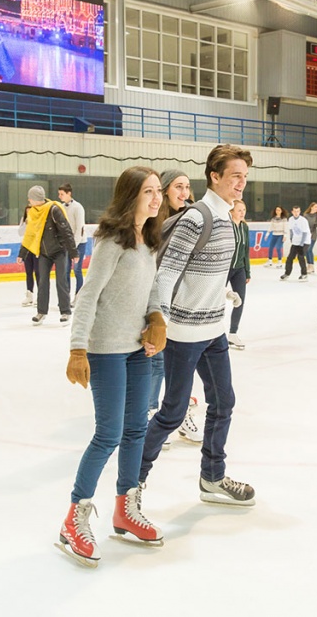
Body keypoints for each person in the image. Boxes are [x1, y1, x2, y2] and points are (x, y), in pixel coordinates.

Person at [57, 166, 166, 567]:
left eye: (158, 191)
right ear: (130, 196)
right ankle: (74, 518)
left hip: (138, 348)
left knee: (137, 428)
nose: (156, 199)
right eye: (148, 192)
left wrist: (156, 318)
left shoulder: (149, 238)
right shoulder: (112, 240)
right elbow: (87, 296)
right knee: (109, 434)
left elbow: (151, 288)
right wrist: (77, 349)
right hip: (105, 349)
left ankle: (125, 508)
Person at [140, 144, 256, 507]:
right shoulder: (197, 217)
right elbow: (166, 275)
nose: (241, 183)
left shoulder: (227, 219)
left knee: (224, 402)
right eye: (235, 176)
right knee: (173, 412)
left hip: (213, 331)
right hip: (184, 335)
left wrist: (222, 291)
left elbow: (201, 271)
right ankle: (132, 482)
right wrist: (159, 323)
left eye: (245, 177)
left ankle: (213, 478)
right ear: (215, 176)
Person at [147, 169, 200, 447]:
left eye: (188, 187)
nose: (184, 193)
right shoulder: (152, 219)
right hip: (154, 295)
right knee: (157, 359)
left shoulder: (192, 218)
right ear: (165, 189)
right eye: (178, 187)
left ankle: (178, 414)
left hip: (185, 298)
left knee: (183, 362)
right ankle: (153, 413)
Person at [21, 185, 77, 325]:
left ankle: (65, 312)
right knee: (42, 282)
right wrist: (22, 253)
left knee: (61, 281)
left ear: (36, 199)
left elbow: (66, 230)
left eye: (31, 198)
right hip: (44, 253)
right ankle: (41, 312)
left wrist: (73, 251)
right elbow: (30, 234)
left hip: (59, 251)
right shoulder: (33, 212)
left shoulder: (54, 209)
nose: (29, 200)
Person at [226, 199, 250, 350]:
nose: (242, 213)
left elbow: (247, 250)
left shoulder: (244, 227)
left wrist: (247, 271)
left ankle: (233, 333)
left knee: (240, 301)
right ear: (231, 211)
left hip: (239, 269)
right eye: (239, 210)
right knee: (215, 301)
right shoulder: (226, 226)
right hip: (224, 269)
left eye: (244, 210)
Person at [59, 183, 87, 302]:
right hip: (66, 244)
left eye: (62, 194)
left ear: (69, 193)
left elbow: (79, 229)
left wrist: (73, 248)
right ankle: (66, 297)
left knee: (77, 269)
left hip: (79, 243)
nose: (59, 196)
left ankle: (78, 296)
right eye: (59, 194)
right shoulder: (60, 207)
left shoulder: (78, 207)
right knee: (65, 270)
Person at [280, 205, 310, 281]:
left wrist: (301, 244)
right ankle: (287, 273)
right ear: (292, 212)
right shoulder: (290, 219)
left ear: (300, 212)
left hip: (305, 242)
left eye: (298, 211)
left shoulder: (303, 220)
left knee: (300, 257)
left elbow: (305, 233)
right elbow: (291, 230)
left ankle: (304, 274)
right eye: (295, 211)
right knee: (290, 258)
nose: (296, 213)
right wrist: (291, 238)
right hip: (295, 242)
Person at [16, 214, 38, 307]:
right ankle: (29, 294)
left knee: (39, 273)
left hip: (37, 249)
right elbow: (21, 233)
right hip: (27, 249)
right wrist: (26, 223)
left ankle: (40, 296)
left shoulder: (39, 217)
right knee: (28, 272)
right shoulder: (24, 219)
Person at [303, 202, 317, 269]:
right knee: (306, 250)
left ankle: (311, 265)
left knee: (309, 249)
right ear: (311, 207)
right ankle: (309, 265)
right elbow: (303, 226)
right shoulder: (305, 215)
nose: (316, 208)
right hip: (306, 236)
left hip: (313, 235)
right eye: (315, 207)